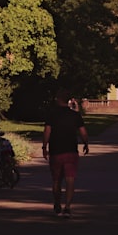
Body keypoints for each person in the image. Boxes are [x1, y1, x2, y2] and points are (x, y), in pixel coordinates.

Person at [43, 89, 89, 217]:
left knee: (56, 180)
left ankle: (57, 203)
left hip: (56, 151)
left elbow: (47, 131)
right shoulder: (75, 115)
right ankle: (67, 207)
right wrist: (86, 144)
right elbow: (83, 132)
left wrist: (44, 147)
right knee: (70, 179)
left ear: (58, 99)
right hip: (71, 151)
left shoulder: (51, 114)